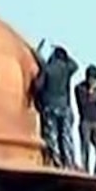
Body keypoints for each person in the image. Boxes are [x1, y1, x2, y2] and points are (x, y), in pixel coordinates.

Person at [31, 40, 79, 169]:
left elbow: (37, 85)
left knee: (51, 135)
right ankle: (68, 162)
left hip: (50, 106)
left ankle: (55, 160)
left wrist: (37, 53)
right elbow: (75, 65)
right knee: (66, 136)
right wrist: (64, 53)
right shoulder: (67, 68)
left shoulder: (48, 68)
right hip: (64, 107)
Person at [74, 65, 96, 175]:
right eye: (92, 79)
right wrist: (91, 91)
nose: (94, 81)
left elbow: (95, 100)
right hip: (85, 122)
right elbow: (84, 103)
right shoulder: (79, 88)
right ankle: (85, 172)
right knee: (85, 149)